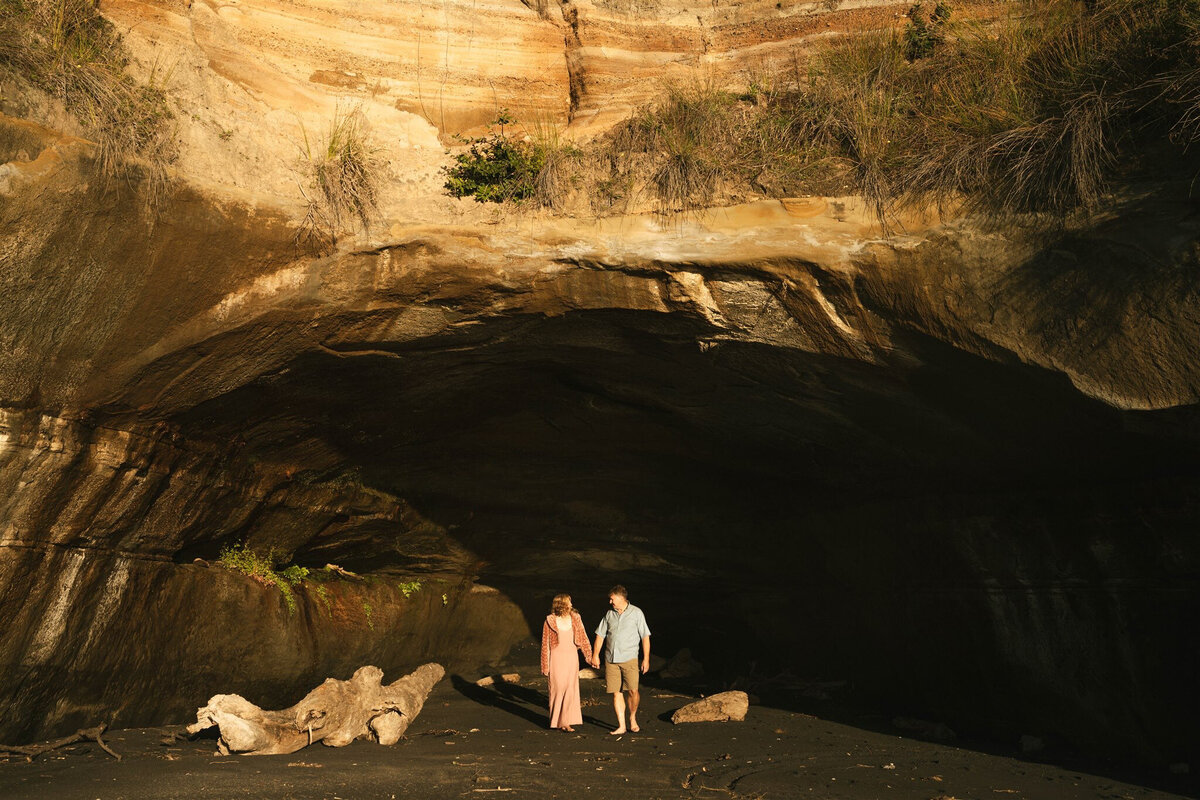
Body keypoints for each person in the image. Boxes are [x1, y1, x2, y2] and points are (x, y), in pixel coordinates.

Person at [589, 584, 651, 735]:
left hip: (629, 658)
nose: (610, 602)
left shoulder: (636, 613)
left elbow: (645, 637)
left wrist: (646, 659)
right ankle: (622, 725)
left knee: (633, 691)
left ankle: (633, 718)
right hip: (611, 659)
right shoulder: (609, 614)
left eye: (612, 599)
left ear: (620, 597)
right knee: (616, 692)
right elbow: (600, 635)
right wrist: (595, 655)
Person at [540, 593, 593, 732]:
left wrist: (589, 657)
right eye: (569, 601)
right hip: (556, 659)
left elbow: (583, 638)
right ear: (562, 604)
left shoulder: (576, 618)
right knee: (558, 689)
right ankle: (557, 721)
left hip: (571, 658)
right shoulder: (549, 621)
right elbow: (545, 644)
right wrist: (545, 666)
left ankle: (566, 722)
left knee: (570, 689)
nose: (571, 604)